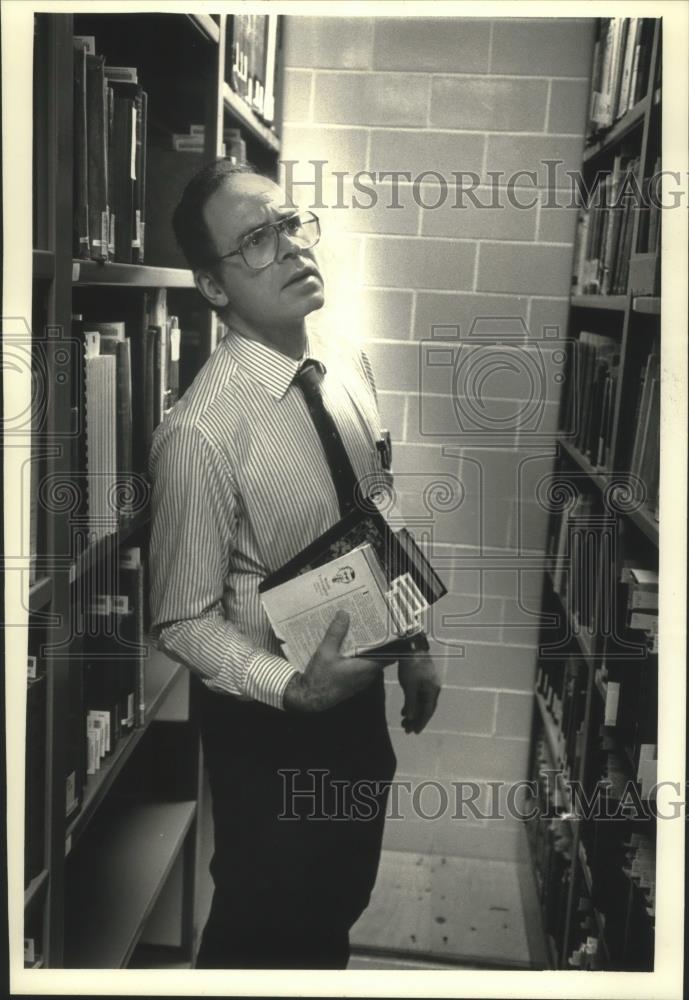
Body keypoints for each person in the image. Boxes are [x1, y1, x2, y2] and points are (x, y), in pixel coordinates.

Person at [147, 159, 441, 969]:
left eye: (288, 225)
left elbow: (374, 508)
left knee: (336, 904)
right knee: (263, 923)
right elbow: (179, 619)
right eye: (253, 241)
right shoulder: (199, 432)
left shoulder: (346, 365)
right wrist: (290, 688)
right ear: (212, 287)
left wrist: (412, 643)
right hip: (267, 729)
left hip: (358, 697)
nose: (287, 248)